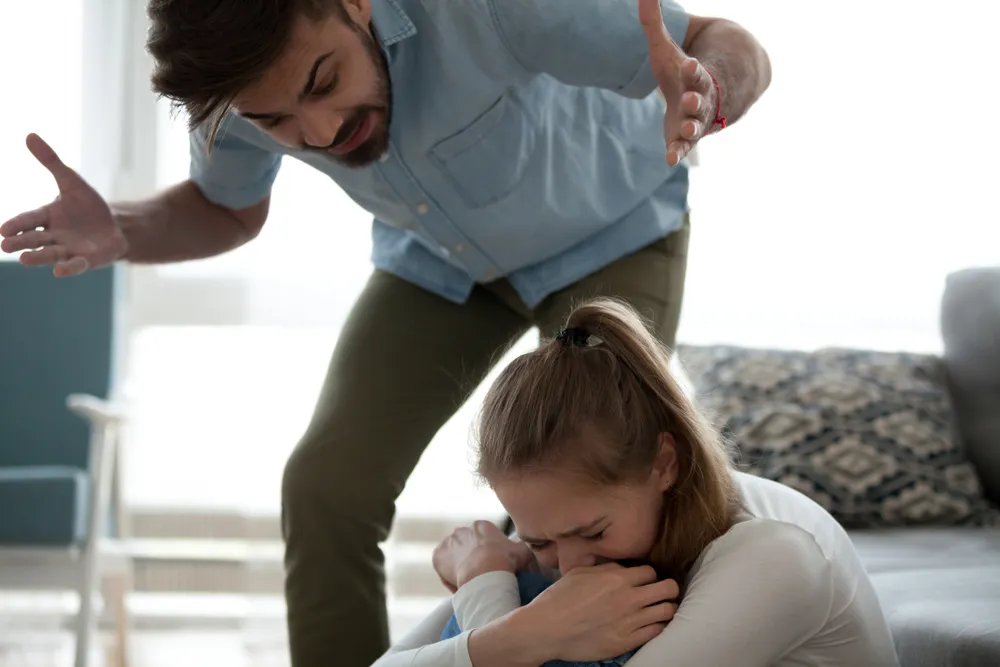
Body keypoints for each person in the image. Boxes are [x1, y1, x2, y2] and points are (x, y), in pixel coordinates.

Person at [0, 1, 771, 664]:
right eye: (275, 121)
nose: (319, 131)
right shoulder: (234, 93)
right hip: (440, 262)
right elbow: (229, 209)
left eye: (324, 82)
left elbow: (721, 41)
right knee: (325, 486)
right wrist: (122, 228)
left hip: (613, 231)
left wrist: (710, 89)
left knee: (569, 496)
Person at [376, 298, 901, 667]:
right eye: (538, 540)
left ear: (664, 464)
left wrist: (486, 591)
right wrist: (517, 614)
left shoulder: (771, 555)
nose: (572, 567)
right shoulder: (570, 528)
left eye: (594, 532)